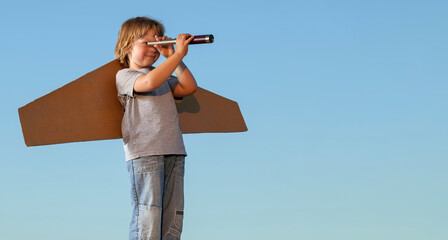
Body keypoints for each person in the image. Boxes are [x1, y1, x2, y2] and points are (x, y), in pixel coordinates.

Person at [114, 16, 197, 240]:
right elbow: (148, 83)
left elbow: (189, 87)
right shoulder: (125, 76)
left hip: (174, 151)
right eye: (146, 43)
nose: (153, 50)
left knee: (172, 215)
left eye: (156, 45)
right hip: (145, 153)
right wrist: (178, 54)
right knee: (148, 214)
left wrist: (174, 58)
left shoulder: (164, 78)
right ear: (126, 46)